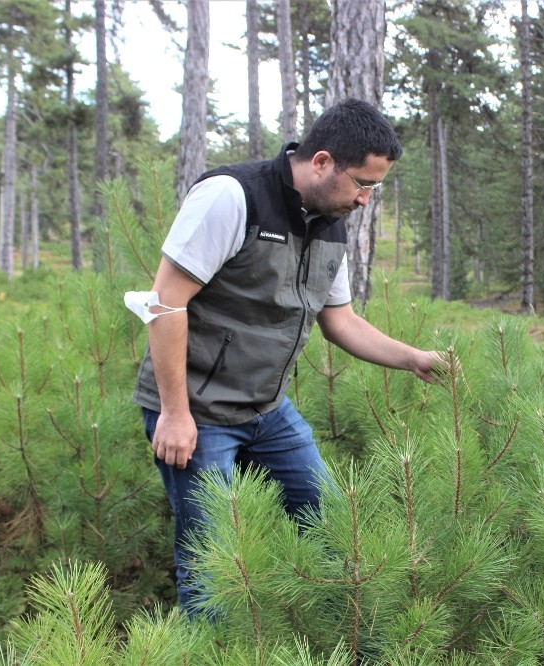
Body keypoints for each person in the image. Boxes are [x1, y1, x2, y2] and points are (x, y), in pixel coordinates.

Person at [132, 99, 444, 611]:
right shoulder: (232, 197)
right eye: (362, 183)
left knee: (334, 527)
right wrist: (174, 413)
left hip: (269, 410)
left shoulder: (330, 222)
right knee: (212, 565)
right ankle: (210, 645)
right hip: (198, 412)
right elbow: (165, 303)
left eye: (375, 187)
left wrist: (414, 358)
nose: (365, 199)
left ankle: (343, 636)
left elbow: (340, 321)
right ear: (322, 162)